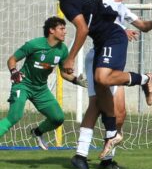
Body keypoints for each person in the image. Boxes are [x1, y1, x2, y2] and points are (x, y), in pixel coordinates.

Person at [71, 0, 152, 169]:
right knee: (96, 104)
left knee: (119, 112)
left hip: (113, 58)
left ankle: (107, 159)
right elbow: (99, 19)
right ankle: (80, 155)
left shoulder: (122, 8)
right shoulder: (104, 0)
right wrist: (122, 31)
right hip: (98, 55)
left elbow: (143, 26)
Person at [0, 17, 87, 148]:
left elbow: (63, 73)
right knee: (15, 116)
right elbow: (12, 59)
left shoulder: (62, 50)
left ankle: (37, 132)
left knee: (58, 118)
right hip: (23, 84)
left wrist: (76, 80)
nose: (65, 32)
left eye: (65, 29)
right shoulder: (34, 44)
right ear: (51, 30)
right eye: (62, 29)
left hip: (40, 89)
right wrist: (14, 72)